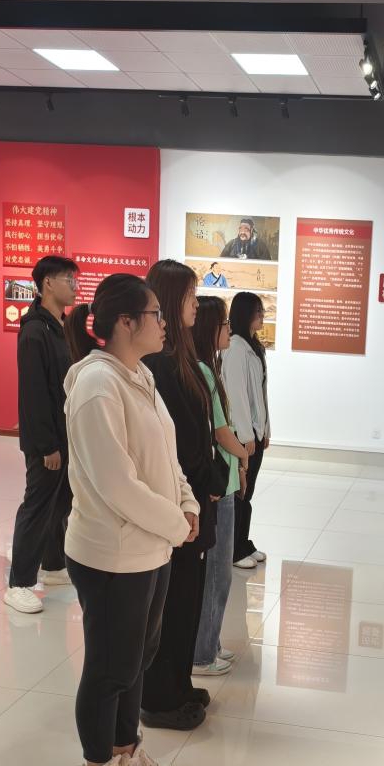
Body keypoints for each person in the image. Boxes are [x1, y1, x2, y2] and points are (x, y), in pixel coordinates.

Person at [62, 273, 199, 766]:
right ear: (125, 322)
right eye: (155, 315)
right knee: (109, 666)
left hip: (150, 548)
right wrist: (176, 524)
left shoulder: (139, 376)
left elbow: (166, 456)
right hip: (112, 554)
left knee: (137, 659)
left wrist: (186, 503)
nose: (163, 323)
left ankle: (126, 751)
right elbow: (117, 484)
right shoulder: (97, 385)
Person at [140, 260, 224, 731]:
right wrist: (208, 481)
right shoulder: (160, 364)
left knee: (188, 598)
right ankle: (160, 697)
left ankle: (179, 682)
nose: (197, 304)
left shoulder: (182, 359)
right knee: (171, 605)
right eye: (191, 296)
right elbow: (179, 445)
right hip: (179, 504)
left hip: (193, 499)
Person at [5, 255, 78, 615]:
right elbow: (34, 393)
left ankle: (52, 564)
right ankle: (18, 582)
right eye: (68, 280)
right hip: (46, 441)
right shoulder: (34, 331)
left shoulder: (57, 326)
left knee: (60, 501)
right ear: (47, 283)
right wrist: (48, 445)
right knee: (37, 506)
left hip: (63, 434)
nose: (75, 287)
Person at [193, 296, 252, 676]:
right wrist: (244, 456)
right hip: (220, 483)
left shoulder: (208, 367)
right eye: (224, 324)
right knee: (218, 572)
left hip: (225, 480)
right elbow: (220, 431)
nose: (230, 329)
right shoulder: (203, 371)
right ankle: (202, 653)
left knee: (219, 573)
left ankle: (210, 643)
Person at [223, 291, 271, 569]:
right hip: (245, 434)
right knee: (240, 492)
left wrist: (266, 429)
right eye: (258, 311)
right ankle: (233, 549)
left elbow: (261, 394)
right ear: (245, 314)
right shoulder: (235, 347)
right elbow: (237, 395)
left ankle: (243, 542)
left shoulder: (253, 346)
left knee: (248, 491)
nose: (262, 316)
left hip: (256, 431)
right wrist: (246, 435)